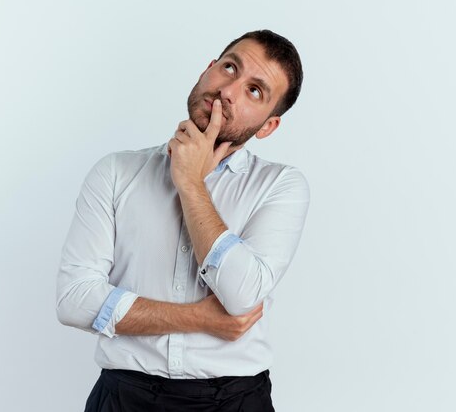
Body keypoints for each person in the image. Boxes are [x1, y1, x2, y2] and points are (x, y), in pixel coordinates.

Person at [56, 29, 310, 411]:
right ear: (208, 69)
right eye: (229, 68)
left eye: (254, 91)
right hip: (123, 398)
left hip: (234, 401)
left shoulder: (280, 186)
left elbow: (241, 297)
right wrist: (199, 318)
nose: (228, 91)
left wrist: (191, 183)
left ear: (268, 126)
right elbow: (74, 301)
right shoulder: (115, 173)